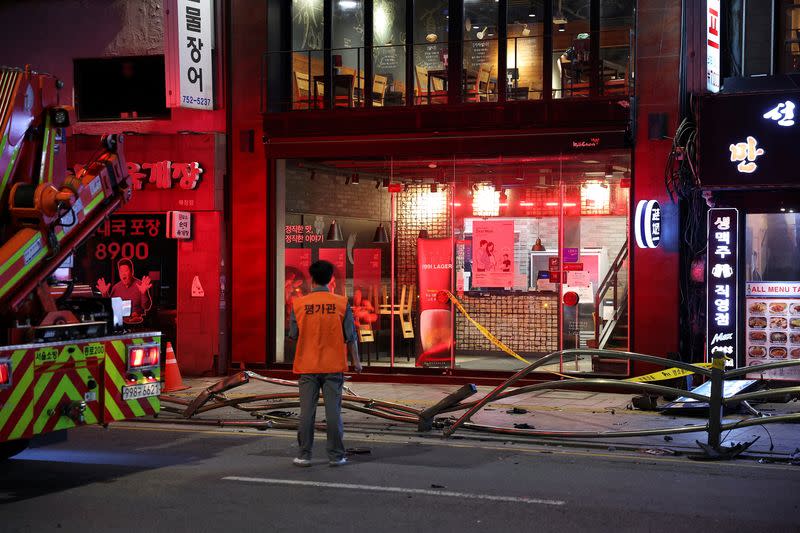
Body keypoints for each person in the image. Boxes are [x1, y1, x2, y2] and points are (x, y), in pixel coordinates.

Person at [288, 260, 362, 467]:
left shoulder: (299, 304)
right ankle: (336, 456)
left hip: (307, 366)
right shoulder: (341, 303)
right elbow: (351, 336)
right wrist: (356, 362)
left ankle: (304, 455)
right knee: (333, 413)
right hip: (333, 366)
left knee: (306, 413)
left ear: (312, 280)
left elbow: (293, 335)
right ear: (331, 279)